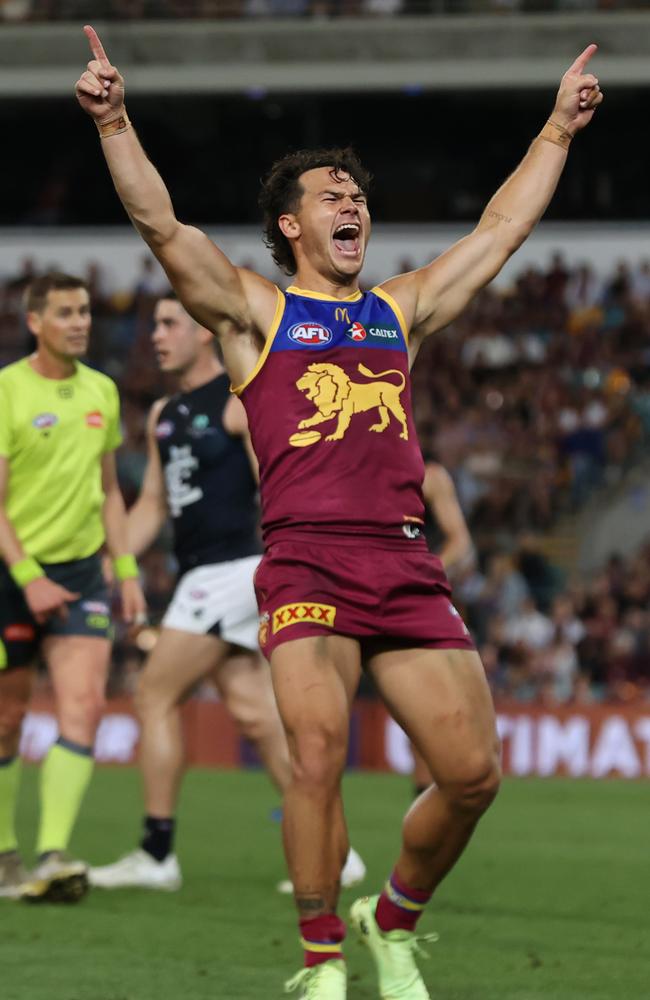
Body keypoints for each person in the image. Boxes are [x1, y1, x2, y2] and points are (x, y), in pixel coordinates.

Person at [76, 27, 602, 997]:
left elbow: (497, 233)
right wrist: (113, 121)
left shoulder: (397, 309)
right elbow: (162, 228)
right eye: (329, 195)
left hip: (403, 563)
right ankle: (321, 962)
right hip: (307, 561)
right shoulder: (254, 315)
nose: (350, 201)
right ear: (290, 227)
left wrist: (557, 132)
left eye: (355, 194)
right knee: (313, 751)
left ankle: (387, 919)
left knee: (473, 772)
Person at [88, 291, 365, 892]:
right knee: (256, 716)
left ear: (201, 330)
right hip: (204, 576)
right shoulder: (164, 411)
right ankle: (337, 851)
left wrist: (299, 557)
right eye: (154, 324)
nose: (157, 334)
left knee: (154, 695)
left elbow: (278, 482)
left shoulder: (242, 400)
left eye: (168, 323)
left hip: (236, 569)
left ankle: (157, 853)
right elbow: (154, 507)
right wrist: (111, 563)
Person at [0, 271, 146, 902]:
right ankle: (5, 854)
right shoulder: (6, 390)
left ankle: (53, 852)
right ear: (36, 322)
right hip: (12, 573)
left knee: (83, 705)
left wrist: (129, 569)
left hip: (84, 571)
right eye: (66, 312)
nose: (81, 322)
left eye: (85, 311)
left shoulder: (103, 392)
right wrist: (28, 577)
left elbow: (112, 491)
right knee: (6, 720)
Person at [411, 460, 475, 798]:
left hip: (416, 603)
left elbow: (459, 540)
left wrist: (423, 572)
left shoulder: (430, 476)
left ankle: (426, 813)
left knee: (429, 719)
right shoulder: (352, 465)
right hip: (356, 595)